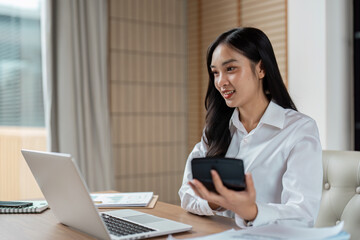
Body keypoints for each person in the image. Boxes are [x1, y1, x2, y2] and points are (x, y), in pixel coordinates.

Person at [178, 27, 322, 228]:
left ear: (261, 69)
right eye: (215, 73)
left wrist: (251, 211)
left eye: (230, 69)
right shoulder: (217, 129)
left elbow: (302, 215)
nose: (220, 82)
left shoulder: (299, 129)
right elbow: (186, 194)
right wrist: (216, 200)